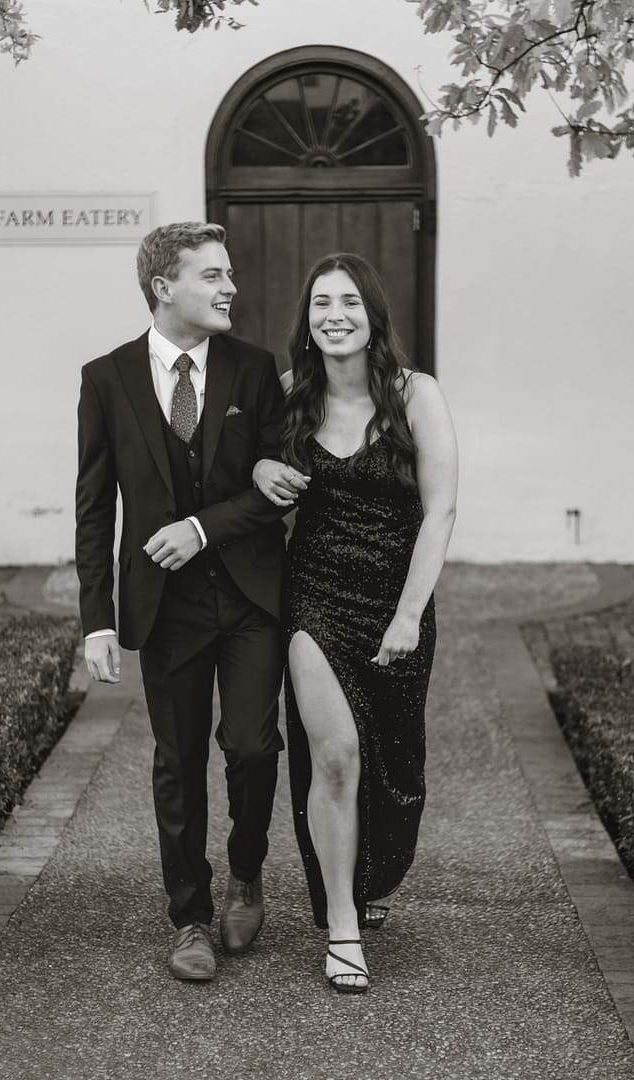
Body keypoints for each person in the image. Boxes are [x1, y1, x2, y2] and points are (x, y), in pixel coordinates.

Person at [75, 221, 288, 982]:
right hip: (165, 607)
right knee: (179, 760)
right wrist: (96, 619)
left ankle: (246, 875)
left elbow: (279, 485)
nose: (231, 287)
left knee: (253, 747)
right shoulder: (106, 378)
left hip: (251, 595)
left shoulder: (254, 369)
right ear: (164, 288)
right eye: (213, 275)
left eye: (229, 274)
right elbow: (94, 507)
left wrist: (200, 528)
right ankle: (190, 917)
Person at [253, 253, 458, 994]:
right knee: (336, 756)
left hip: (396, 600)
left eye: (348, 302)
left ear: (373, 315)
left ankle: (368, 877)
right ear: (306, 320)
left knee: (393, 765)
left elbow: (441, 509)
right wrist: (259, 470)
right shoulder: (289, 396)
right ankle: (341, 923)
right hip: (314, 596)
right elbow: (246, 471)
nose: (334, 315)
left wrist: (408, 613)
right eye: (320, 303)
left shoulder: (415, 394)